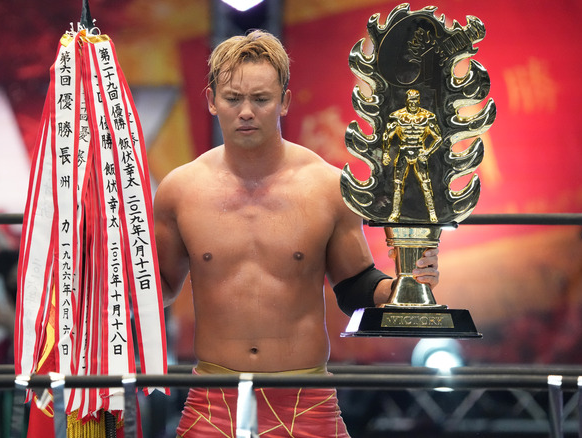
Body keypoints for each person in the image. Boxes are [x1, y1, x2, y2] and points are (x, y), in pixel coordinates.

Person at [153, 30, 440, 437]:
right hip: (215, 400)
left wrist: (403, 287)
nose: (246, 112)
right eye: (233, 98)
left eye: (261, 98)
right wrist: (101, 267)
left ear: (284, 100)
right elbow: (160, 287)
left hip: (305, 398)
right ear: (212, 102)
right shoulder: (179, 191)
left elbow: (353, 284)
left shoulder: (326, 186)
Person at [382, 89, 442, 223]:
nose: (413, 104)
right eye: (411, 101)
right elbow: (387, 136)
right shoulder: (398, 116)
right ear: (407, 100)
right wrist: (385, 153)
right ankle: (395, 213)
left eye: (416, 101)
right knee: (397, 184)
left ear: (419, 100)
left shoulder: (427, 117)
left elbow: (438, 138)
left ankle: (432, 213)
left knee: (426, 183)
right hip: (403, 151)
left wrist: (428, 152)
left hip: (419, 150)